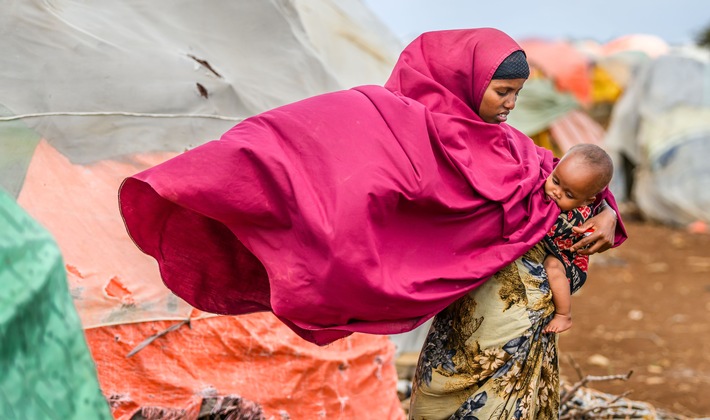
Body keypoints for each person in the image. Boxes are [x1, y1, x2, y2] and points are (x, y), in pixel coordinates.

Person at [119, 28, 626, 417]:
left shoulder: (511, 145)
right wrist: (212, 177)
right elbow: (297, 145)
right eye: (502, 92)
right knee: (439, 400)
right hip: (467, 321)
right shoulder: (392, 120)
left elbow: (573, 179)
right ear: (463, 80)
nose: (512, 106)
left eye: (516, 93)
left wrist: (606, 213)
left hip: (519, 321)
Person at [541, 144, 614, 334]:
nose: (557, 192)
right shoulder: (548, 183)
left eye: (569, 194)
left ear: (587, 200)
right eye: (555, 181)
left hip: (569, 263)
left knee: (552, 267)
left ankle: (564, 315)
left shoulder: (577, 216)